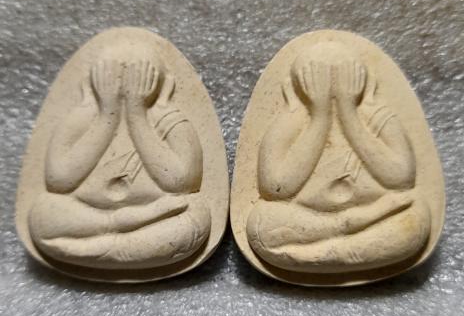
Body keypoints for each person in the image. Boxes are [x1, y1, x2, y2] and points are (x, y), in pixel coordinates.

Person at [247, 42, 430, 273]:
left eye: (345, 74)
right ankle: (344, 241)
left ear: (363, 80)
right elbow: (277, 188)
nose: (331, 84)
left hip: (380, 214)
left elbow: (401, 178)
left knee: (415, 216)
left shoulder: (377, 116)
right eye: (316, 75)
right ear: (297, 84)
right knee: (261, 222)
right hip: (311, 220)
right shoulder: (291, 121)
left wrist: (348, 112)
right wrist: (320, 116)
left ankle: (329, 254)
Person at [29, 46, 211, 270]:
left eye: (141, 76)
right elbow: (59, 181)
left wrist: (137, 113)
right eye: (110, 74)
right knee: (43, 213)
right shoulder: (82, 118)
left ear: (162, 84)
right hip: (88, 217)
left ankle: (92, 248)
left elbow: (181, 183)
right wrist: (108, 114)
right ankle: (117, 236)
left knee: (195, 212)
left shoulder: (168, 119)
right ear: (93, 80)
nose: (125, 84)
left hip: (157, 218)